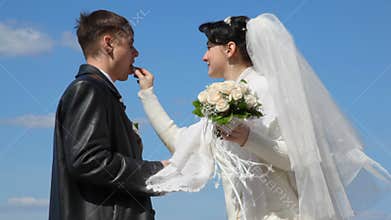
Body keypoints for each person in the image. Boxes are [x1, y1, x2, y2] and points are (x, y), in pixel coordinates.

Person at [135, 14, 390, 220]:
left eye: (209, 48)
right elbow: (182, 145)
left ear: (229, 49)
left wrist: (249, 138)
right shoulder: (219, 102)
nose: (204, 56)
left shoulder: (267, 88)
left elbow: (299, 156)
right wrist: (148, 95)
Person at [49, 10, 168, 220]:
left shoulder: (101, 91)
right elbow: (88, 160)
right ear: (108, 44)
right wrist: (155, 171)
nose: (136, 53)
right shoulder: (88, 89)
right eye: (130, 45)